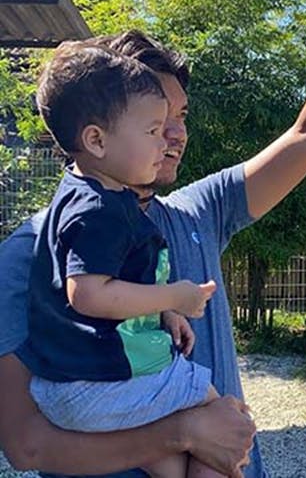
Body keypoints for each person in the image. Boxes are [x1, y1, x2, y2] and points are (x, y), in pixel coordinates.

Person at [0, 0, 306, 478]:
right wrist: (182, 434)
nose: (175, 134)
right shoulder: (28, 255)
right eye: (155, 120)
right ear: (100, 130)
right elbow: (28, 447)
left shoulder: (196, 213)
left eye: (179, 114)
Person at [17, 42, 224, 478]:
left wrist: (164, 311)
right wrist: (176, 296)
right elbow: (88, 293)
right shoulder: (97, 211)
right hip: (97, 386)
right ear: (96, 139)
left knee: (174, 462)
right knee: (219, 415)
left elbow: (112, 276)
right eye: (151, 130)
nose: (168, 139)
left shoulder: (81, 198)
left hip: (74, 391)